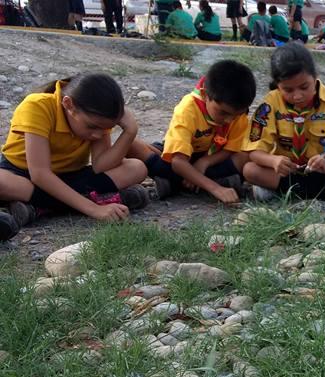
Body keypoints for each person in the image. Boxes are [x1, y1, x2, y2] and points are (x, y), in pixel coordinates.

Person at [0, 73, 150, 241]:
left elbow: (101, 166)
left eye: (105, 129)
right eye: (92, 127)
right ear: (68, 104)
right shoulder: (37, 106)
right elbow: (40, 174)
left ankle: (39, 207)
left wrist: (130, 131)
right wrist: (94, 210)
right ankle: (96, 200)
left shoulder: (98, 120)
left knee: (136, 168)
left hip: (71, 176)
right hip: (25, 175)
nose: (98, 135)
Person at [242, 42, 325, 204]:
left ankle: (279, 191)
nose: (297, 96)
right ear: (278, 85)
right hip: (286, 172)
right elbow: (254, 151)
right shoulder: (269, 104)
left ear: (315, 77)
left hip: (323, 172)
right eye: (288, 90)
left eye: (304, 87)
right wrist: (273, 161)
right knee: (250, 169)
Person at [143, 60, 257, 205]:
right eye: (223, 113)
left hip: (211, 159)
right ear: (205, 95)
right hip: (181, 158)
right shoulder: (187, 109)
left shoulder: (238, 112)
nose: (229, 120)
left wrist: (204, 162)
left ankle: (174, 184)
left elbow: (230, 149)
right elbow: (178, 162)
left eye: (236, 115)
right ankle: (212, 183)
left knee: (247, 154)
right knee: (135, 146)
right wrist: (216, 189)